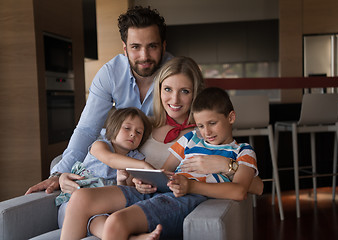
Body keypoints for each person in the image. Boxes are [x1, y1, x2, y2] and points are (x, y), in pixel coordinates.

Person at [59, 86, 263, 240]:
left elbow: (239, 191)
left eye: (212, 124)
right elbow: (166, 171)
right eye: (200, 125)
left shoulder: (242, 151)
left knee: (116, 222)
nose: (206, 132)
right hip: (164, 188)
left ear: (231, 118)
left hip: (186, 196)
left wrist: (199, 180)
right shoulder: (191, 138)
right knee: (80, 198)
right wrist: (146, 180)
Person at [25, 6, 172, 195]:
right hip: (116, 158)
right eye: (136, 47)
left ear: (163, 46)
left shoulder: (175, 73)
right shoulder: (110, 74)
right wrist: (59, 172)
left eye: (152, 46)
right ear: (125, 49)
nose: (144, 56)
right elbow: (87, 129)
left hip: (157, 159)